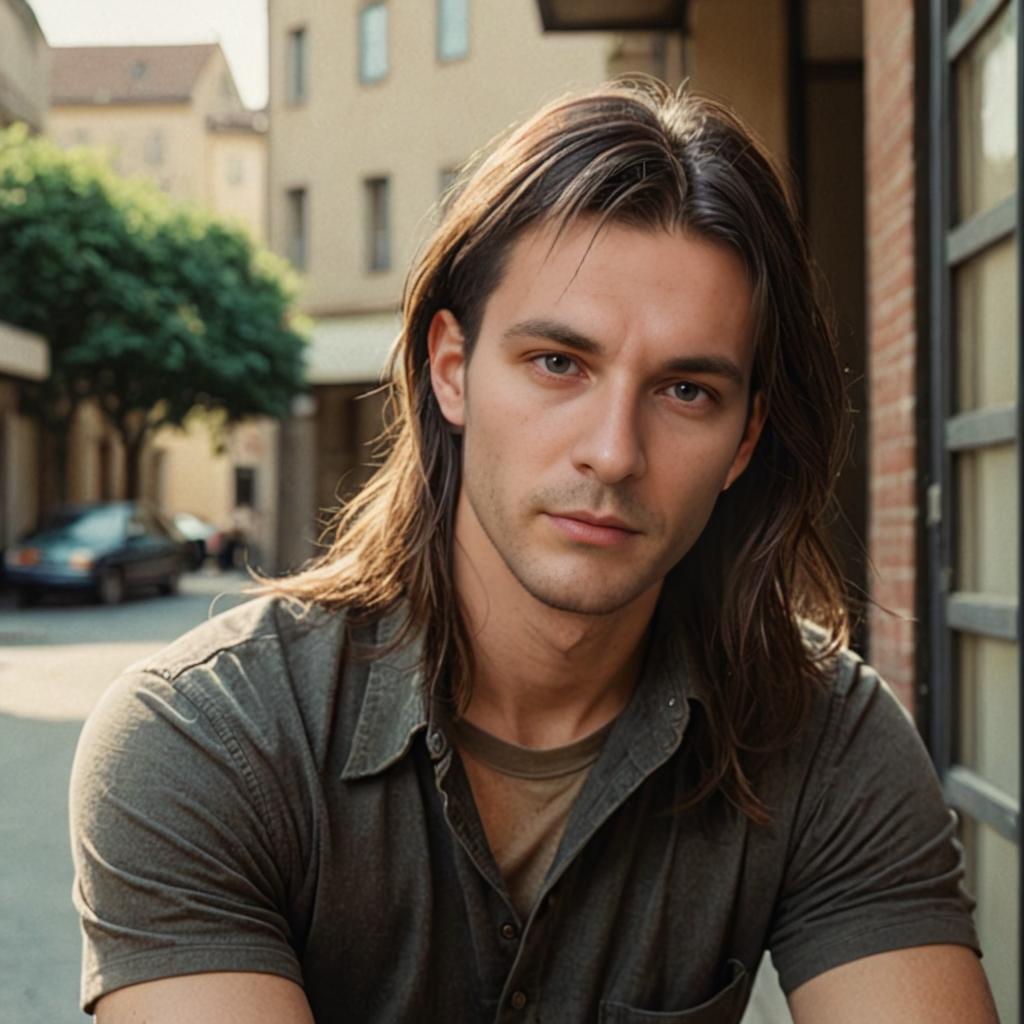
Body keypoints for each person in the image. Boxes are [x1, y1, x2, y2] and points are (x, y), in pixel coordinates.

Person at [70, 78, 997, 1023]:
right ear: (452, 370)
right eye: (559, 363)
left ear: (745, 442)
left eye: (686, 391)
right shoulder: (207, 740)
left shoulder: (826, 735)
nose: (613, 450)